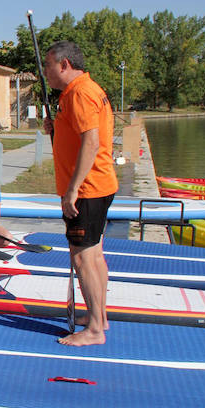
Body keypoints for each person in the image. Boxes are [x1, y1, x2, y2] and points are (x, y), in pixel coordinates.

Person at [43, 40, 118, 347]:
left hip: (86, 189)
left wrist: (72, 189)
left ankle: (95, 330)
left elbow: (91, 142)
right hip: (99, 185)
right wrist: (56, 128)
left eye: (48, 66)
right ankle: (100, 317)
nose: (45, 72)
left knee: (83, 258)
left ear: (64, 65)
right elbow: (79, 134)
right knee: (94, 255)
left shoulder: (80, 94)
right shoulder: (83, 91)